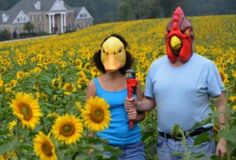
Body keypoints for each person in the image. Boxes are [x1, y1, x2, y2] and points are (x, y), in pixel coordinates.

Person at [125, 7, 227, 160]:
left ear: (190, 36)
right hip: (165, 143)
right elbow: (150, 101)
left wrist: (223, 141)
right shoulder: (156, 66)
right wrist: (137, 105)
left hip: (199, 142)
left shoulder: (206, 66)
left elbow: (221, 102)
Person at [86, 33, 146, 160]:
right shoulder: (94, 85)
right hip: (105, 147)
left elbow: (142, 114)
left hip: (133, 146)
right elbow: (90, 120)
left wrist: (135, 116)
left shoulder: (133, 82)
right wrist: (90, 147)